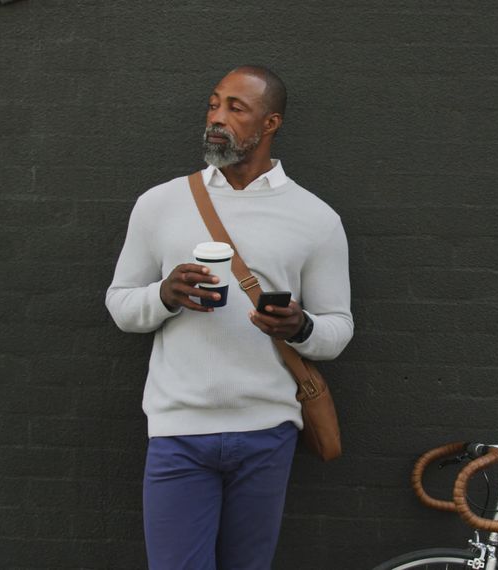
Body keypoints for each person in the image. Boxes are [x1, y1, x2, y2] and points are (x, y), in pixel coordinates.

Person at [105, 65, 353, 570]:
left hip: (266, 432)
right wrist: (165, 295)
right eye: (213, 104)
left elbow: (338, 328)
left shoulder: (316, 218)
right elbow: (121, 304)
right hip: (179, 431)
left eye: (236, 109)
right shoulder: (160, 203)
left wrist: (300, 328)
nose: (217, 118)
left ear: (270, 124)